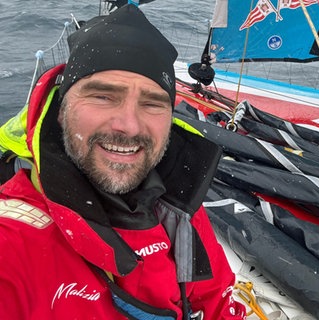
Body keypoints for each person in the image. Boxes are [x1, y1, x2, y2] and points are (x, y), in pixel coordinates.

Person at [0, 4, 246, 320]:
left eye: (152, 103)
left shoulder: (178, 202)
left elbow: (215, 302)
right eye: (103, 96)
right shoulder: (15, 242)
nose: (129, 125)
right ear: (62, 110)